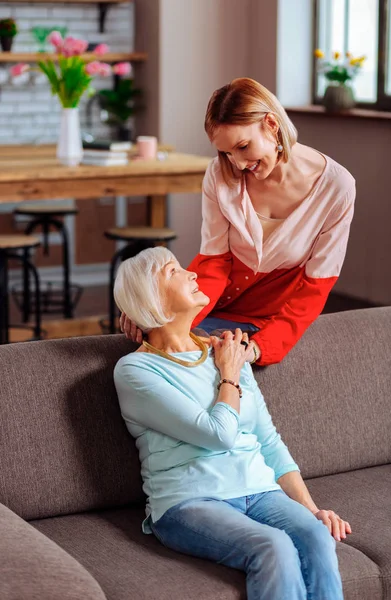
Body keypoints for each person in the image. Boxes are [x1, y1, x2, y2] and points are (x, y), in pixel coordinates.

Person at [114, 246, 351, 600]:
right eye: (173, 271)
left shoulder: (223, 350)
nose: (192, 273)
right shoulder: (136, 371)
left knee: (317, 535)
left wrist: (312, 510)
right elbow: (218, 435)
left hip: (260, 491)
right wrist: (229, 372)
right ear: (152, 299)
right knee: (274, 546)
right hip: (190, 502)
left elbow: (268, 440)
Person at [120, 78, 356, 367]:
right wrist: (157, 314)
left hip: (267, 323)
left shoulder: (336, 187)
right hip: (208, 310)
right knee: (147, 359)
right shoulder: (220, 175)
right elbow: (214, 263)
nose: (238, 164)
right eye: (226, 153)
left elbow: (314, 287)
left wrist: (259, 348)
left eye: (243, 147)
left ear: (271, 124)